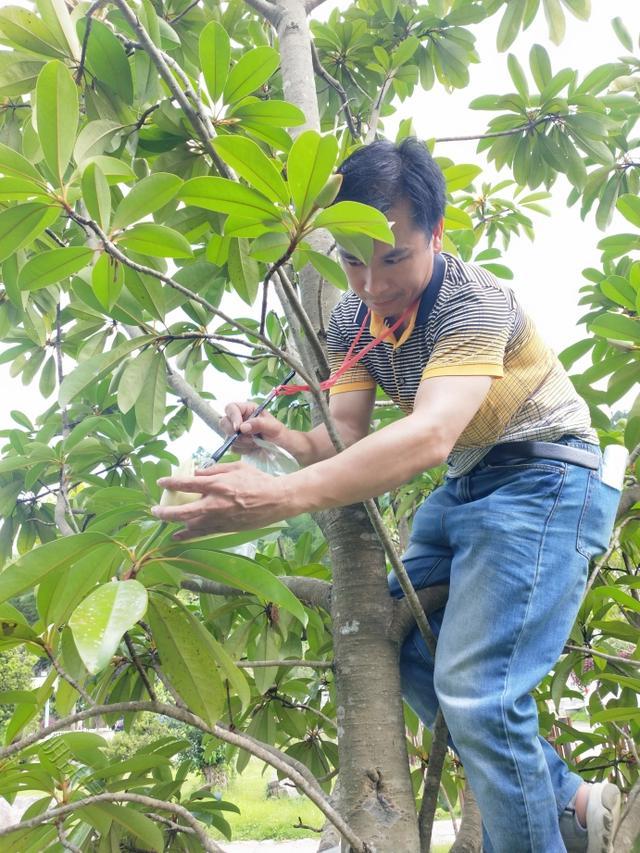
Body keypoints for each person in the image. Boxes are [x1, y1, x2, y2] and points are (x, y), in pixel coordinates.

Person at [152, 138, 623, 852]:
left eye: (394, 257)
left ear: (436, 234)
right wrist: (276, 436)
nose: (371, 282)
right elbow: (341, 435)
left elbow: (430, 436)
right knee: (395, 636)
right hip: (469, 488)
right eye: (350, 258)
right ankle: (570, 802)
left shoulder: (475, 301)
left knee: (479, 694)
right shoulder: (352, 320)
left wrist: (276, 499)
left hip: (547, 478)